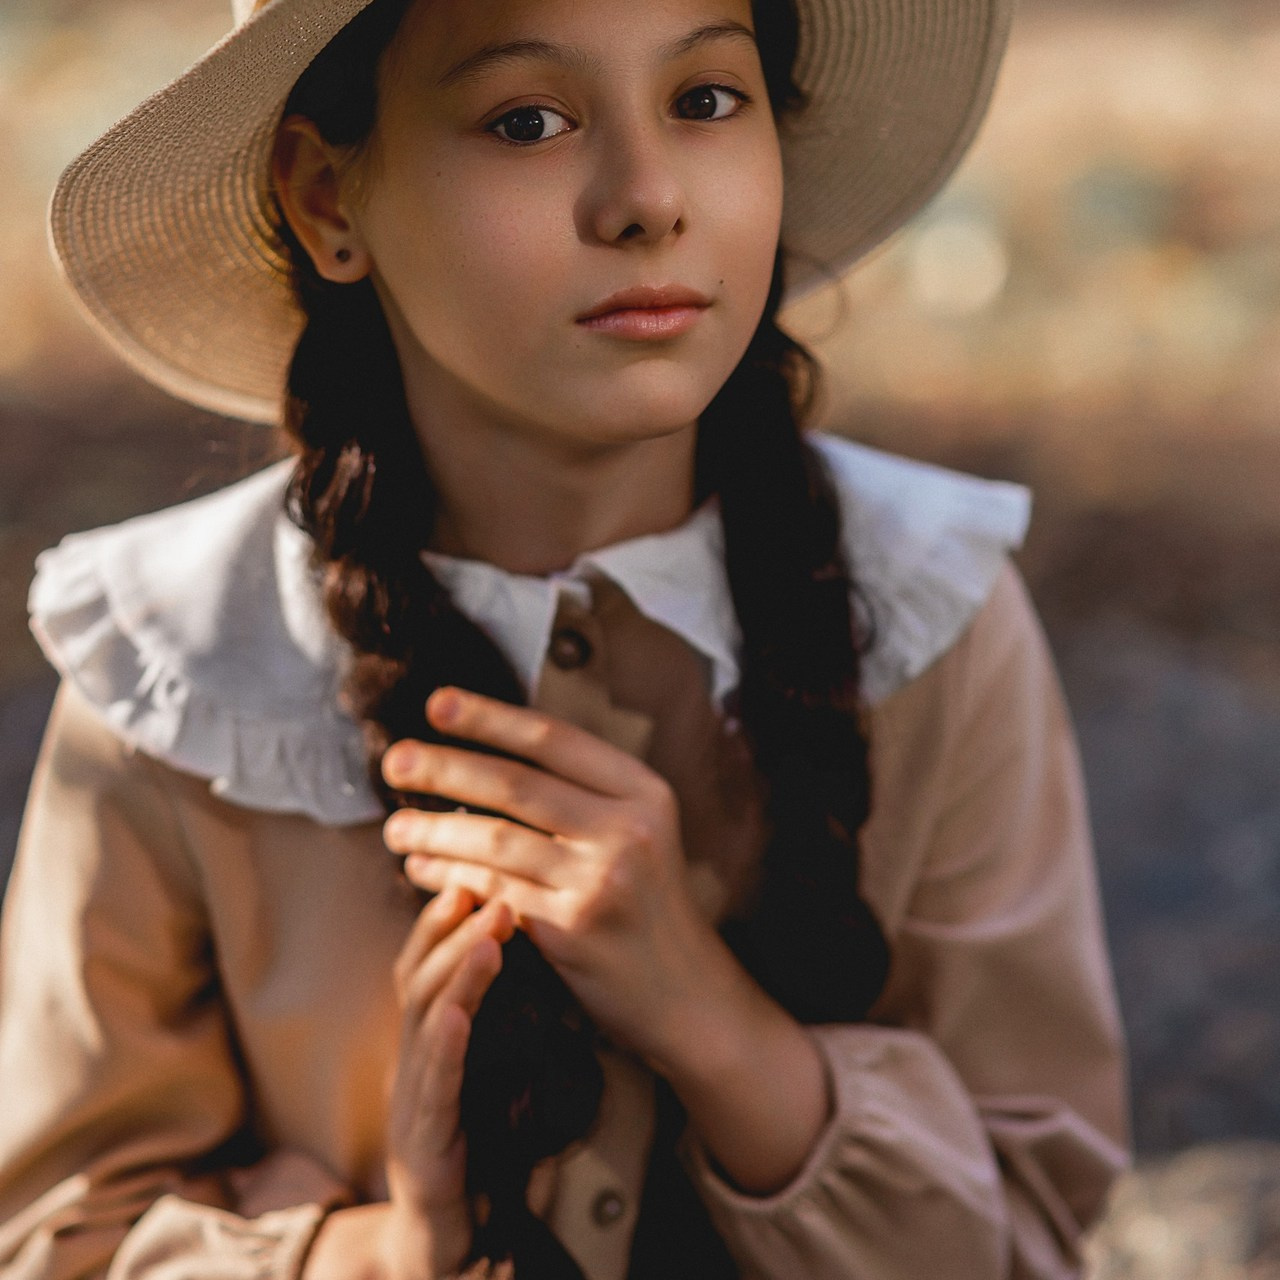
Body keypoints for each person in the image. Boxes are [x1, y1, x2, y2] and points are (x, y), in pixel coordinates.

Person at [0, 0, 1129, 1275]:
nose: (646, 200)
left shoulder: (929, 609)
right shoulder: (176, 664)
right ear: (326, 200)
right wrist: (399, 1247)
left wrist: (711, 1021)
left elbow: (1036, 1230)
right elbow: (53, 1241)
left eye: (705, 101)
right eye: (526, 121)